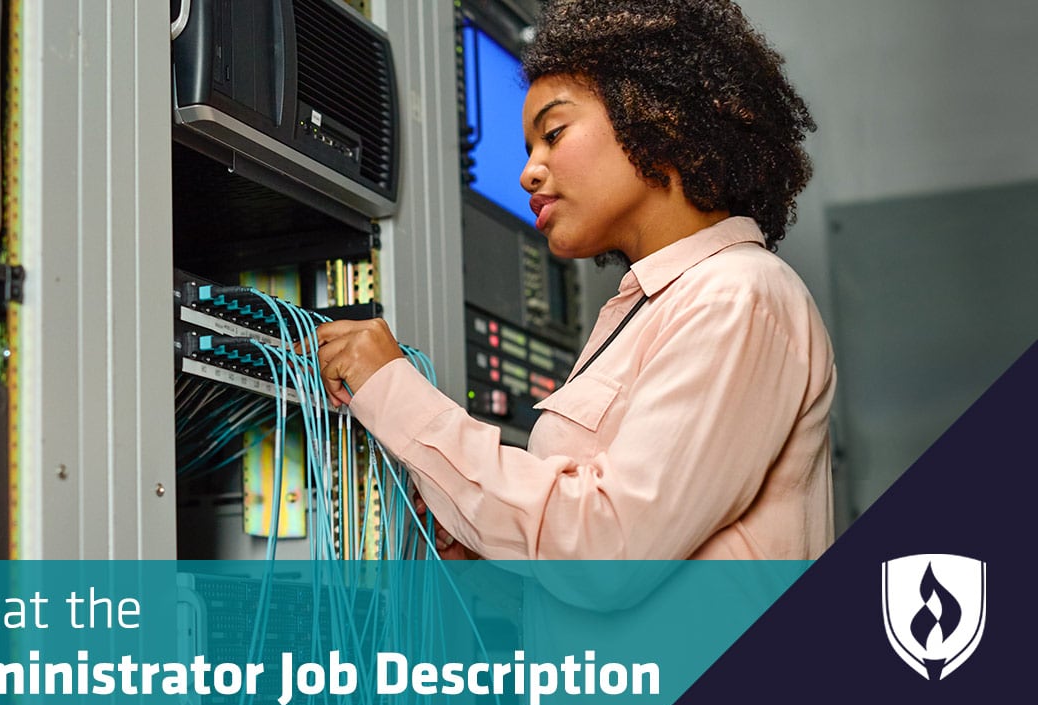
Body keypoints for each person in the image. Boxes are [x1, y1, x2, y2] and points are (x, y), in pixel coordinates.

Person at [312, 0, 834, 562]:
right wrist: (489, 551)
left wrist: (392, 390)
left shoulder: (736, 295)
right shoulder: (654, 307)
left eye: (553, 133)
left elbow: (606, 550)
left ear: (660, 117)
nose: (528, 171)